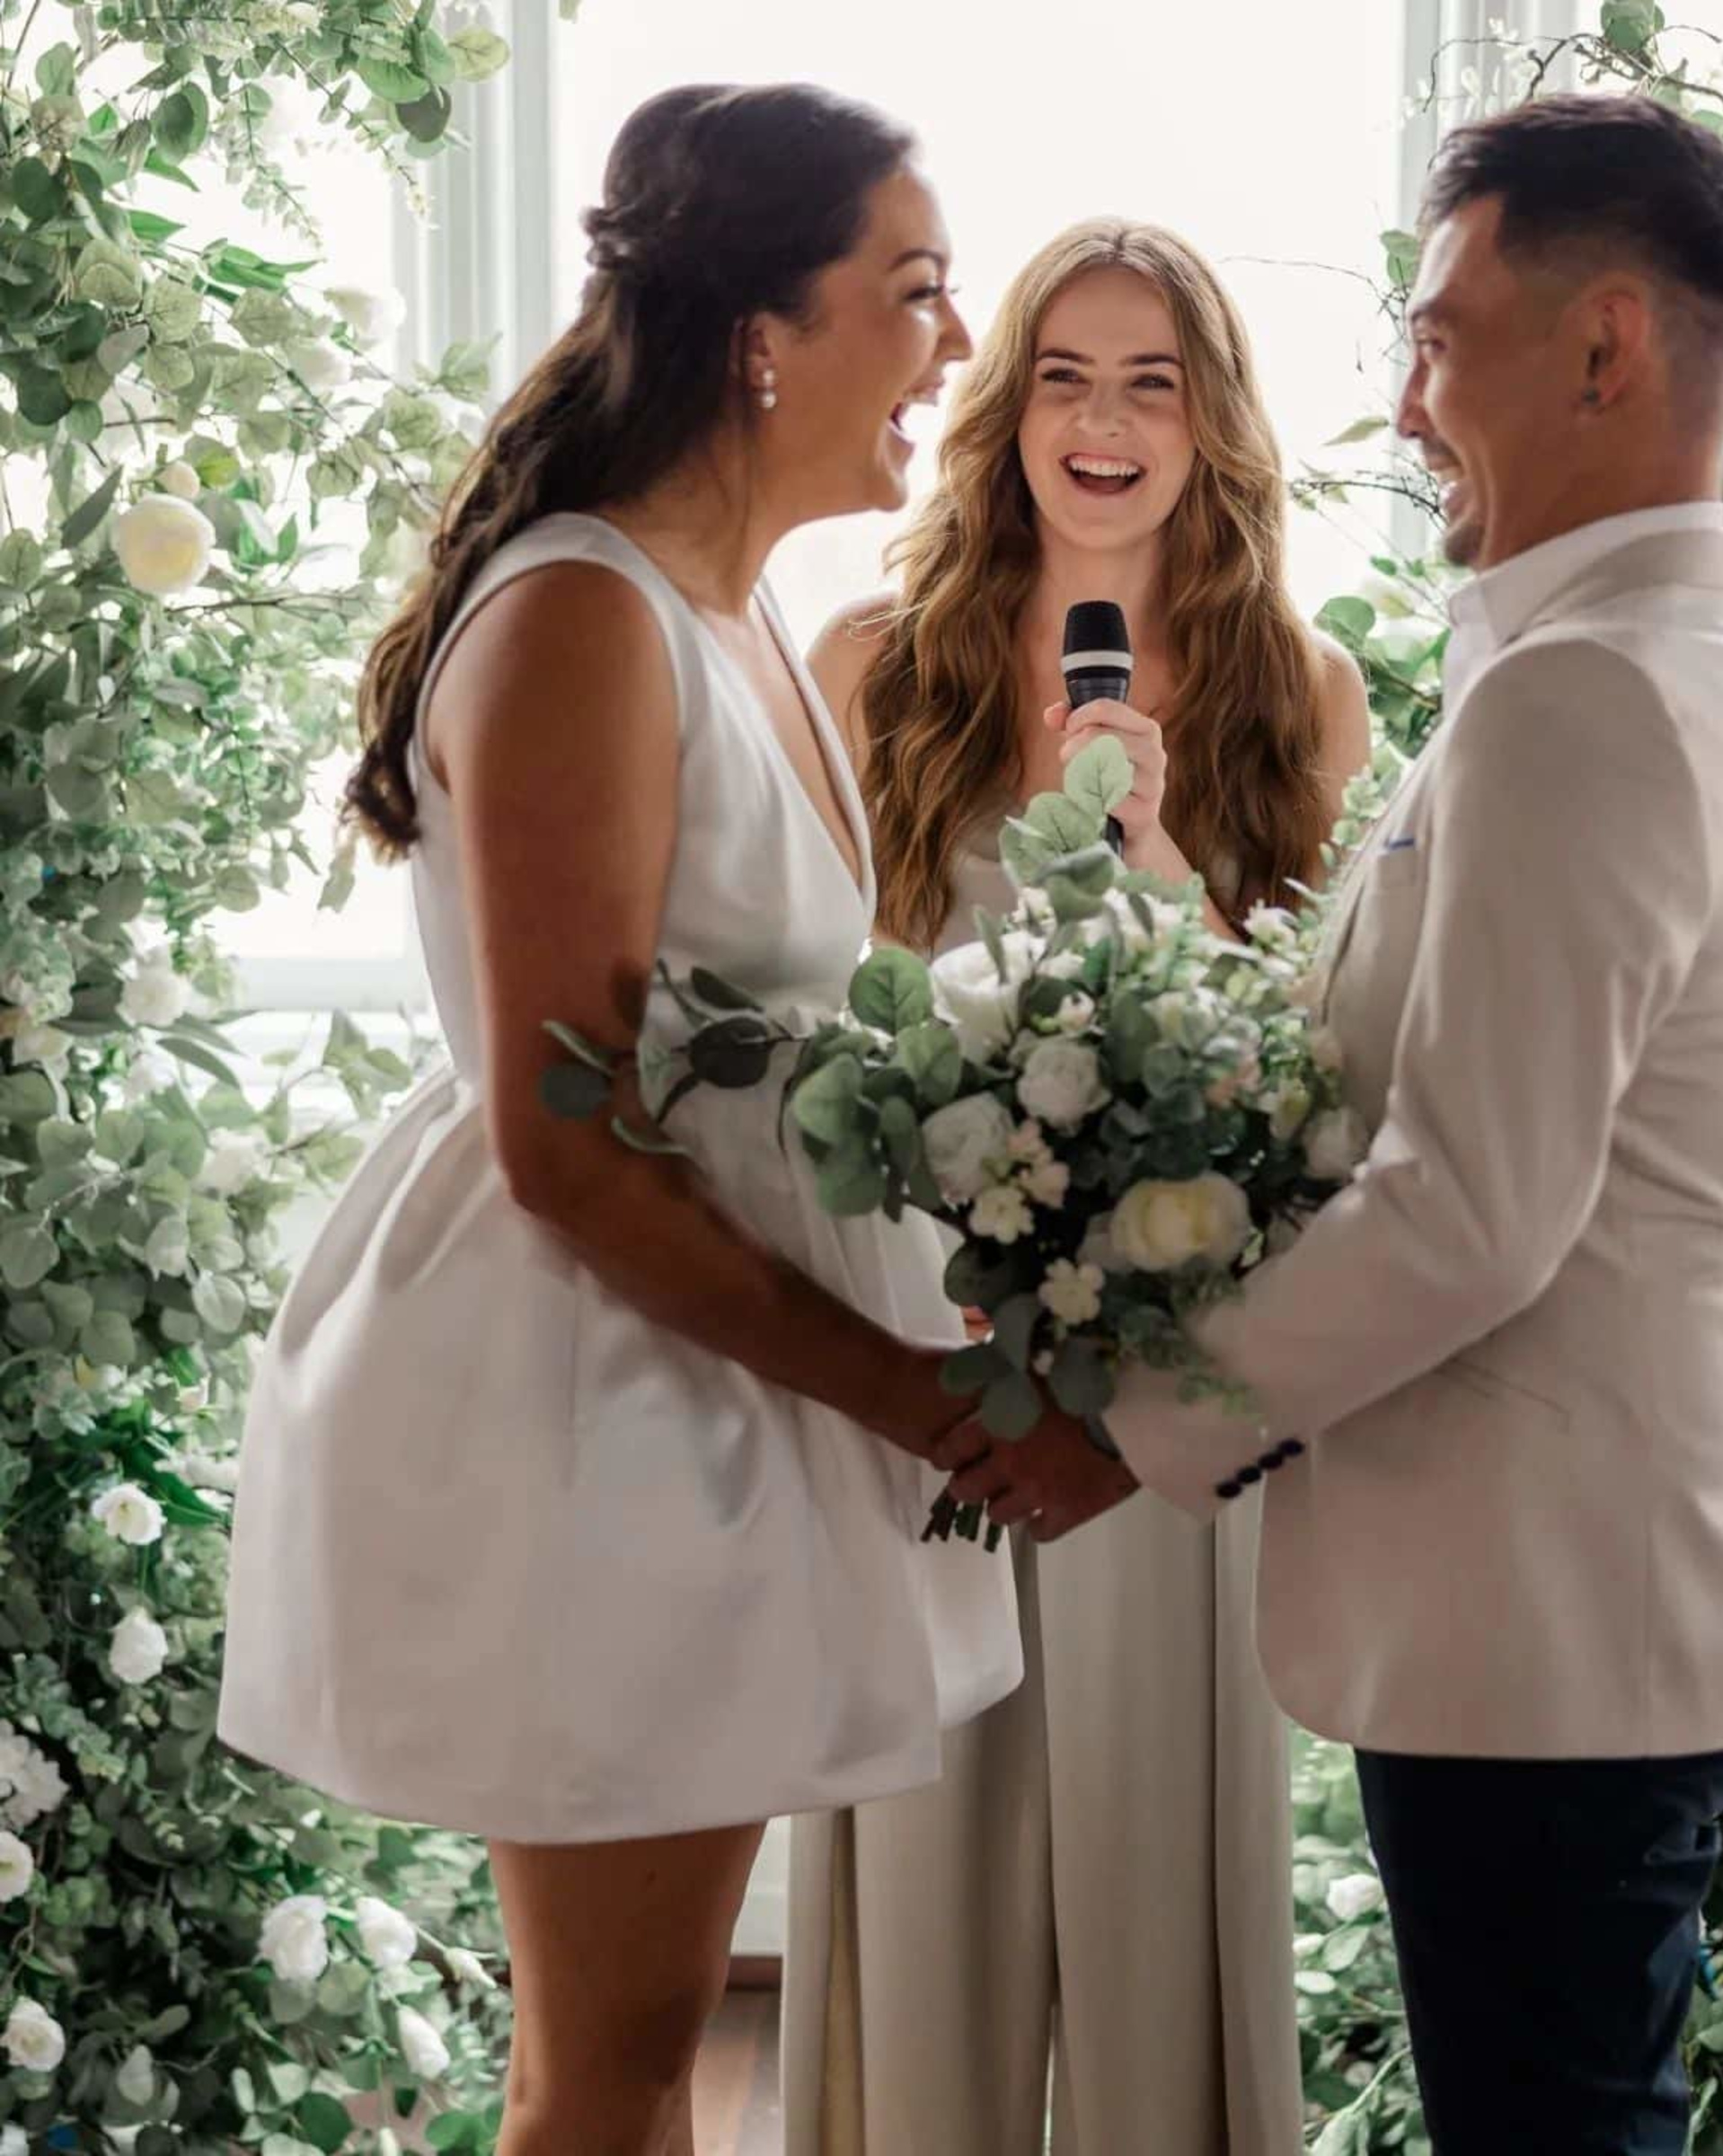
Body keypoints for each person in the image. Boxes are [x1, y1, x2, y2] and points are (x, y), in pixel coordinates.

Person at [941, 98, 1723, 2152]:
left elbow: (1475, 1212)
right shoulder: (1634, 656)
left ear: (1603, 348)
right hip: (1557, 1610)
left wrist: (1123, 1432)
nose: (1408, 399)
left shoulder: (1583, 691)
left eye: (1438, 336)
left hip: (1555, 1619)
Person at [216, 84, 1065, 2156]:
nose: (958, 349)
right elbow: (566, 1139)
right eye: (919, 289)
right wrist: (918, 1400)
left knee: (624, 2054)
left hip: (704, 1401)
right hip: (599, 1401)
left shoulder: (736, 609)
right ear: (764, 331)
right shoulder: (587, 613)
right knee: (610, 2065)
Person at [784, 220, 1371, 2156]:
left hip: (1168, 1351)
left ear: (1210, 424)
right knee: (928, 1825)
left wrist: (1155, 852)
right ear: (1004, 403)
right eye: (1063, 374)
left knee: (1145, 1832)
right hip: (924, 1340)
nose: (1103, 421)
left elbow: (1298, 1066)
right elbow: (825, 1012)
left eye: (1150, 381)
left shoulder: (1303, 690)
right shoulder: (878, 660)